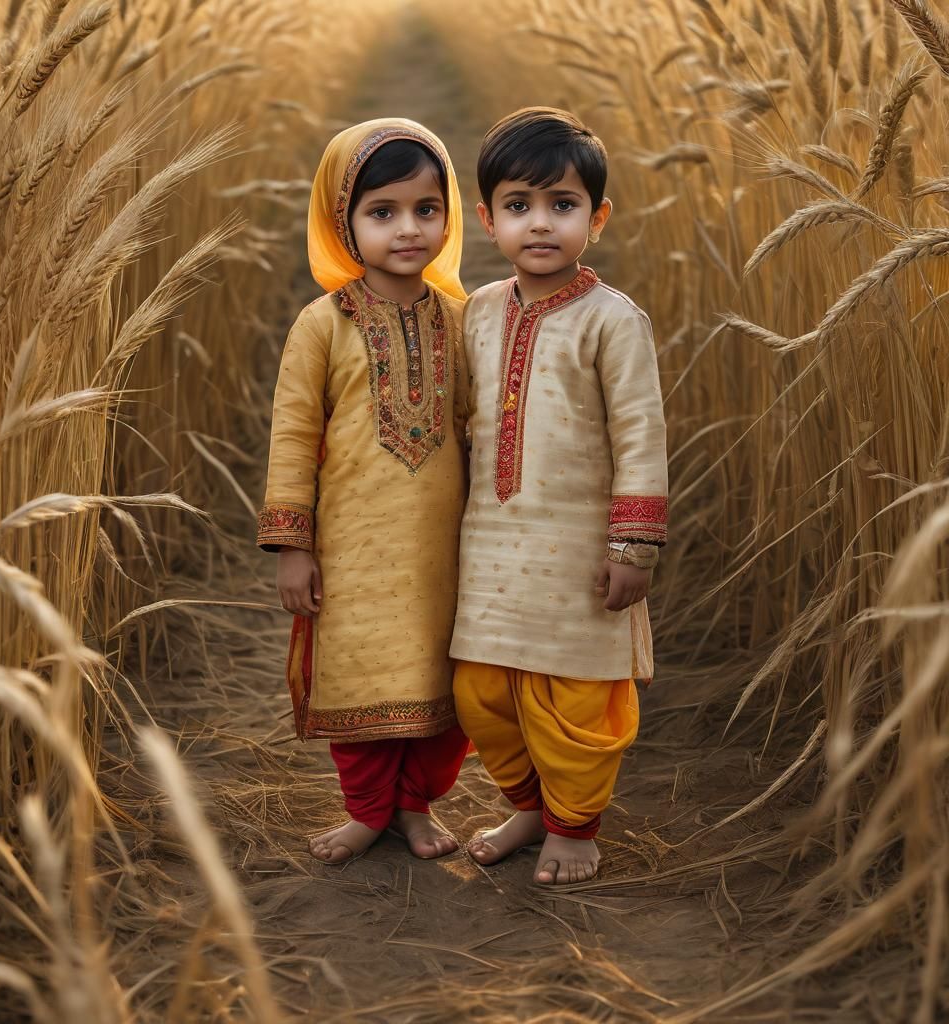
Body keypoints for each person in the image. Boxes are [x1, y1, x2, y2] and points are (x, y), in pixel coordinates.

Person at [451, 107, 669, 885]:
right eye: (518, 206)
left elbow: (642, 436)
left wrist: (633, 546)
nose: (539, 224)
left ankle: (575, 828)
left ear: (597, 217)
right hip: (492, 555)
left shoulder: (614, 322)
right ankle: (528, 807)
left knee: (577, 701)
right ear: (487, 218)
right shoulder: (478, 312)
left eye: (563, 205)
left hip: (579, 557)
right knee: (483, 695)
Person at [258, 118, 470, 864]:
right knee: (361, 675)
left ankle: (415, 807)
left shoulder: (464, 319)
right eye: (382, 213)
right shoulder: (321, 326)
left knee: (446, 685)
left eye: (426, 208)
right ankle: (368, 809)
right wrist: (293, 545)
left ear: (450, 215)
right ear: (340, 222)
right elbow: (291, 437)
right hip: (352, 553)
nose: (408, 229)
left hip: (445, 551)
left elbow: (481, 428)